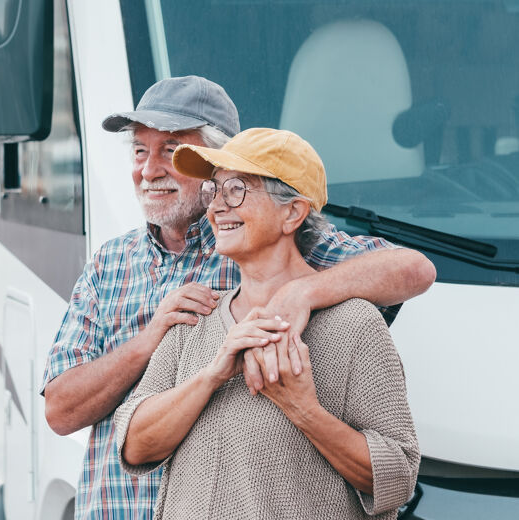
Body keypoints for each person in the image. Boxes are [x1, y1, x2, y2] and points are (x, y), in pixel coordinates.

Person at [41, 76, 434, 519]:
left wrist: (301, 292)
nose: (149, 169)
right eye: (139, 151)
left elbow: (413, 269)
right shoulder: (109, 264)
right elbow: (61, 411)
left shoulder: (282, 248)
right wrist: (151, 340)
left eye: (169, 151)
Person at [115, 128, 420, 519]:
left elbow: (397, 476)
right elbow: (134, 446)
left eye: (237, 189)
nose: (216, 208)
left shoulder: (355, 325)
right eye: (214, 190)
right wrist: (211, 376)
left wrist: (303, 409)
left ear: (292, 212)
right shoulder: (195, 319)